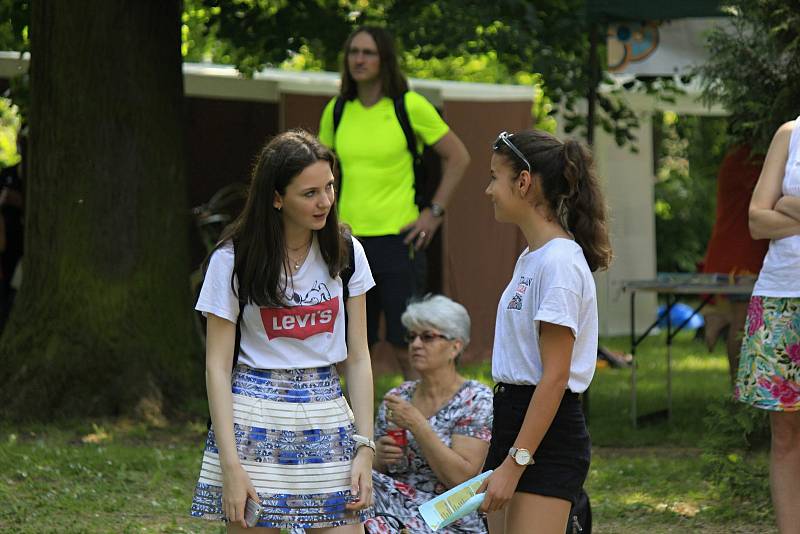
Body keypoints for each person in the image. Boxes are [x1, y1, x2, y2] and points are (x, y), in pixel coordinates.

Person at [190, 130, 376, 532]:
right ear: (276, 197)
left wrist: (366, 447)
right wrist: (231, 466)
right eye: (309, 193)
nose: (324, 201)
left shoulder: (346, 252)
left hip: (329, 418)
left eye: (329, 186)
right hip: (254, 423)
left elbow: (358, 356)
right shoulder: (233, 258)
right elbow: (218, 368)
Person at [478, 130, 612, 533]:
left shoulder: (559, 265)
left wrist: (516, 462)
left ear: (523, 181)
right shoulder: (533, 257)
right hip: (514, 420)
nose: (488, 190)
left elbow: (554, 378)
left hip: (545, 436)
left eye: (494, 177)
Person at [318, 26, 471, 380]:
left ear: (385, 59)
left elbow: (459, 157)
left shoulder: (409, 105)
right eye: (353, 51)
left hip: (399, 241)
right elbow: (316, 169)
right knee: (352, 346)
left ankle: (417, 430)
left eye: (368, 52)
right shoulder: (337, 110)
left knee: (408, 345)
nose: (359, 59)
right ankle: (352, 431)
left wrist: (433, 214)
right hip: (347, 242)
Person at [364, 294, 493, 534]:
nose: (415, 345)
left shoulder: (475, 398)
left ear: (455, 346)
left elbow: (463, 479)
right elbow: (376, 471)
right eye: (412, 337)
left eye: (428, 337)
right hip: (393, 504)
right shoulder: (398, 397)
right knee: (344, 486)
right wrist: (379, 456)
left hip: (446, 514)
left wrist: (418, 425)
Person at [735, 117, 800, 534]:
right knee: (786, 438)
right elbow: (757, 221)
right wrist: (775, 210)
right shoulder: (790, 134)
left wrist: (789, 206)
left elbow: (772, 211)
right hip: (781, 299)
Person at [700, 144, 769, 384]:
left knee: (742, 322)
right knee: (743, 326)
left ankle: (719, 317)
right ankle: (740, 389)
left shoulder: (740, 158)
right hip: (742, 260)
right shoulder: (749, 161)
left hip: (737, 256)